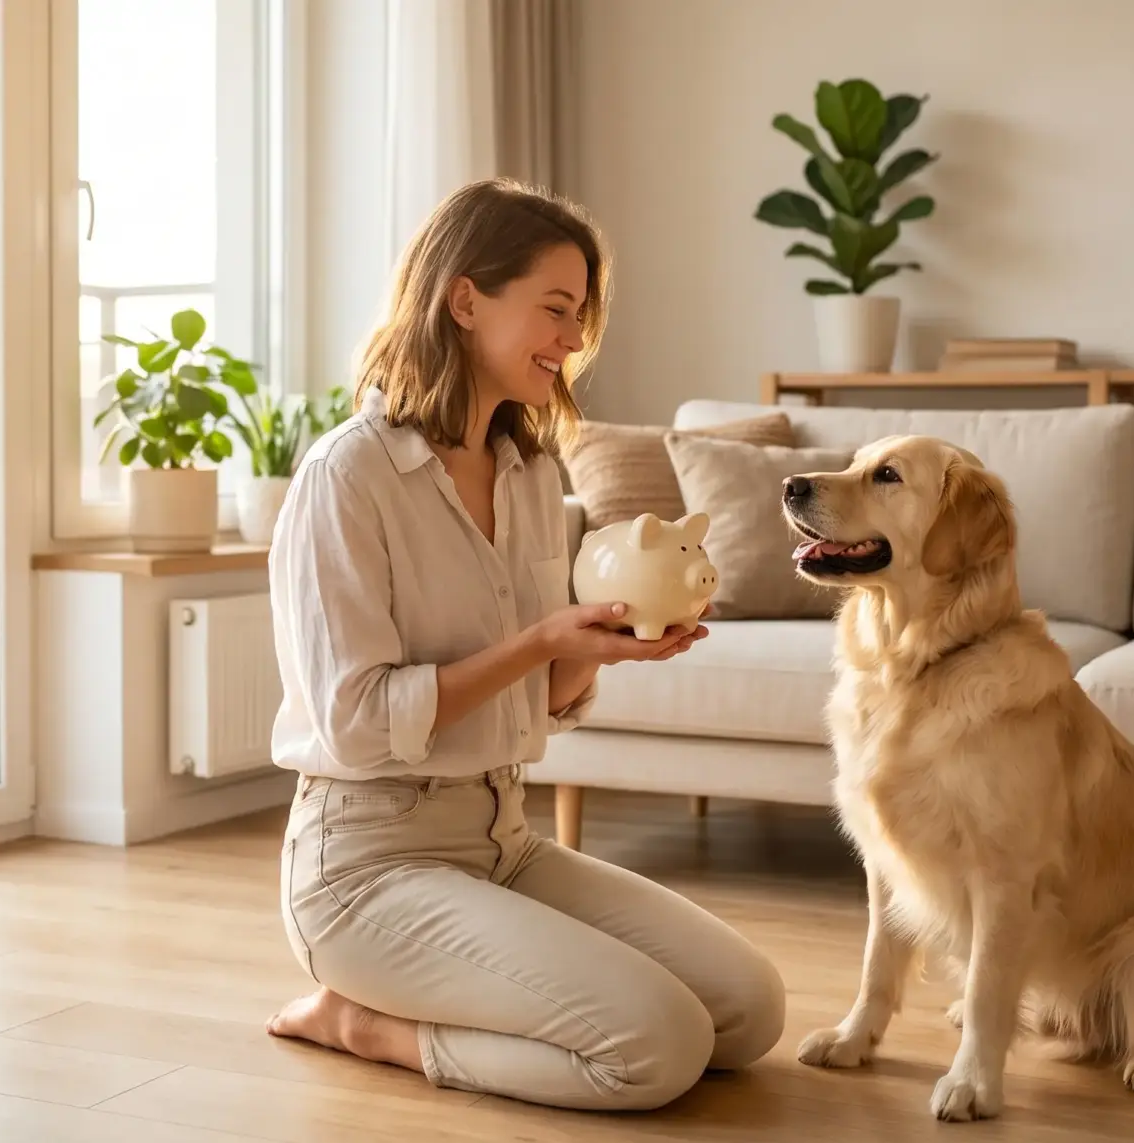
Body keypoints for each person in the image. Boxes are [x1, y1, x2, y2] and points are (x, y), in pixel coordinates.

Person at [262, 177, 786, 1112]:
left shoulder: (532, 471)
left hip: (501, 839)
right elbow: (355, 723)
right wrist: (542, 636)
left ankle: (446, 994)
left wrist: (595, 645)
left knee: (749, 1012)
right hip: (367, 867)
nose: (574, 340)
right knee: (656, 1050)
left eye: (580, 316)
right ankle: (366, 1022)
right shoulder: (349, 474)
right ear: (465, 300)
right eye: (555, 309)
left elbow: (541, 698)